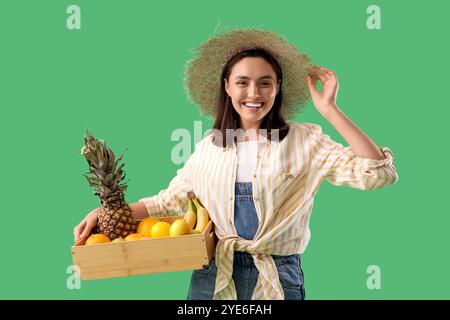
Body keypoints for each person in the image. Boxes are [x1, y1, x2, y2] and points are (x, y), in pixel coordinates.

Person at [74, 28, 399, 300]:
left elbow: (378, 174)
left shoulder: (305, 140)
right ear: (227, 87)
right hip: (212, 274)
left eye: (265, 82)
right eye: (242, 82)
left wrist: (329, 110)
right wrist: (105, 215)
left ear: (277, 89)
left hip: (277, 274)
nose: (253, 92)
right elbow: (168, 201)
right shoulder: (208, 148)